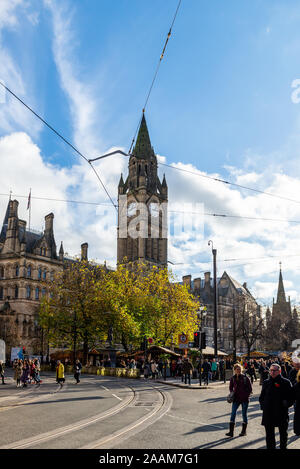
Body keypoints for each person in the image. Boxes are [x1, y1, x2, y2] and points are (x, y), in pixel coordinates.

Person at [259, 363, 294, 450]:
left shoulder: (286, 382)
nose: (272, 372)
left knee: (283, 434)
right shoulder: (266, 382)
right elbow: (261, 397)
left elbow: (291, 397)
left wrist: (286, 404)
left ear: (279, 371)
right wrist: (264, 406)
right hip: (268, 413)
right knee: (269, 435)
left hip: (281, 412)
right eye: (271, 370)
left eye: (274, 370)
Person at [226, 363, 252, 437]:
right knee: (233, 413)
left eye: (240, 369)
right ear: (234, 370)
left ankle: (243, 432)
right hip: (236, 399)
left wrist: (245, 395)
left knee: (244, 415)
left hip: (244, 399)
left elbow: (250, 389)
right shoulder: (233, 378)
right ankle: (231, 432)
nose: (239, 370)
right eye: (237, 369)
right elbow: (230, 388)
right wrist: (232, 393)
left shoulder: (245, 378)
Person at [293, 370, 300, 436]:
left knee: (297, 417)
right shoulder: (296, 385)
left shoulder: (296, 384)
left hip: (298, 404)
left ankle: (297, 430)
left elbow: (293, 396)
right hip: (298, 404)